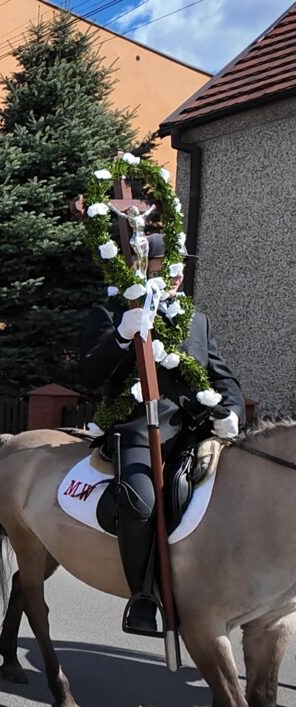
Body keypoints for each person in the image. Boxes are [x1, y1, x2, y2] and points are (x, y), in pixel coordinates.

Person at [78, 232, 243, 636]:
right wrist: (120, 336)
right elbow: (86, 375)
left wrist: (233, 413)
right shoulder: (114, 310)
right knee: (142, 501)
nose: (174, 272)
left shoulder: (196, 319)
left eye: (179, 265)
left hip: (192, 431)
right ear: (141, 266)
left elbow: (222, 378)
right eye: (164, 263)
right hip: (137, 429)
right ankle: (143, 596)